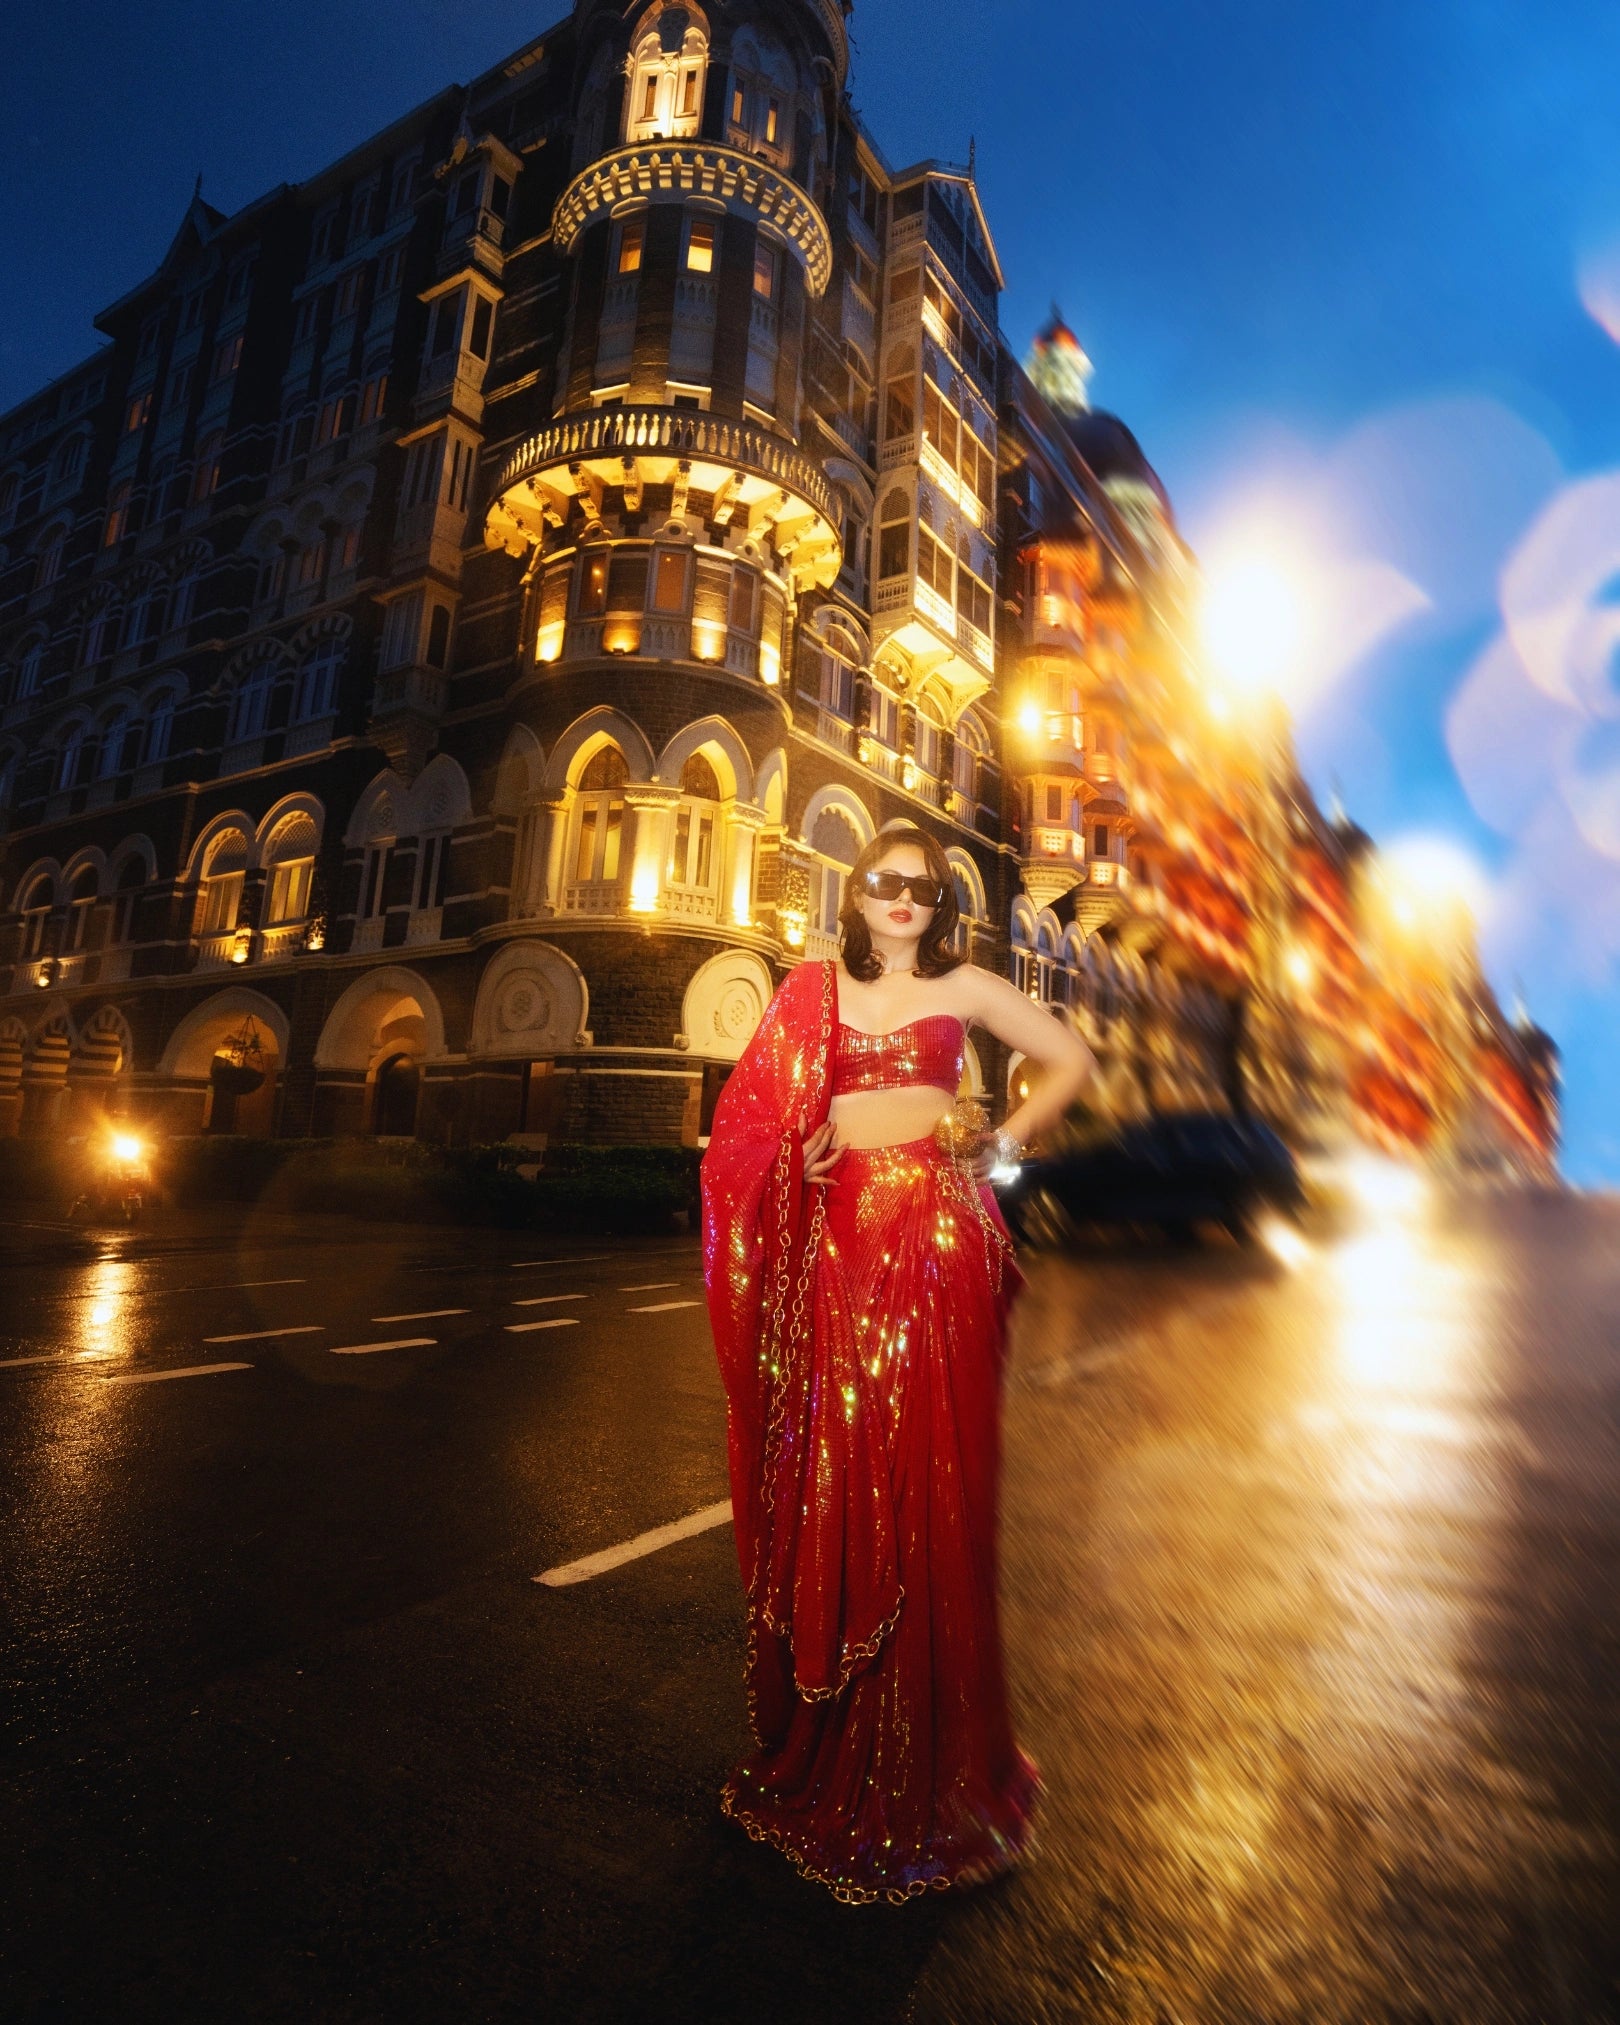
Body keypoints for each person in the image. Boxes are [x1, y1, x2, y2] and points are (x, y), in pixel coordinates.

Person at [701, 825, 1096, 1903]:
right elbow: (748, 1123)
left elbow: (1072, 1059)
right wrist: (805, 1147)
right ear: (857, 894)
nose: (905, 899)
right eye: (885, 882)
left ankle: (936, 1769)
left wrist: (1001, 1143)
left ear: (938, 902)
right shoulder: (812, 987)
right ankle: (837, 1752)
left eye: (923, 887)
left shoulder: (966, 984)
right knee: (841, 1474)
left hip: (938, 1240)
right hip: (838, 1244)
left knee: (933, 1486)